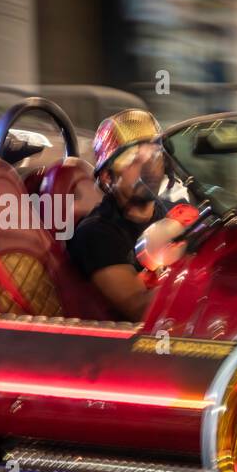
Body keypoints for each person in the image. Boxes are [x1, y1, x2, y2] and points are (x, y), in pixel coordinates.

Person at [67, 109, 166, 321]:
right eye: (132, 159)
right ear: (107, 178)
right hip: (127, 350)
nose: (149, 166)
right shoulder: (96, 233)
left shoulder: (177, 213)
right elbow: (141, 309)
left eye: (154, 155)